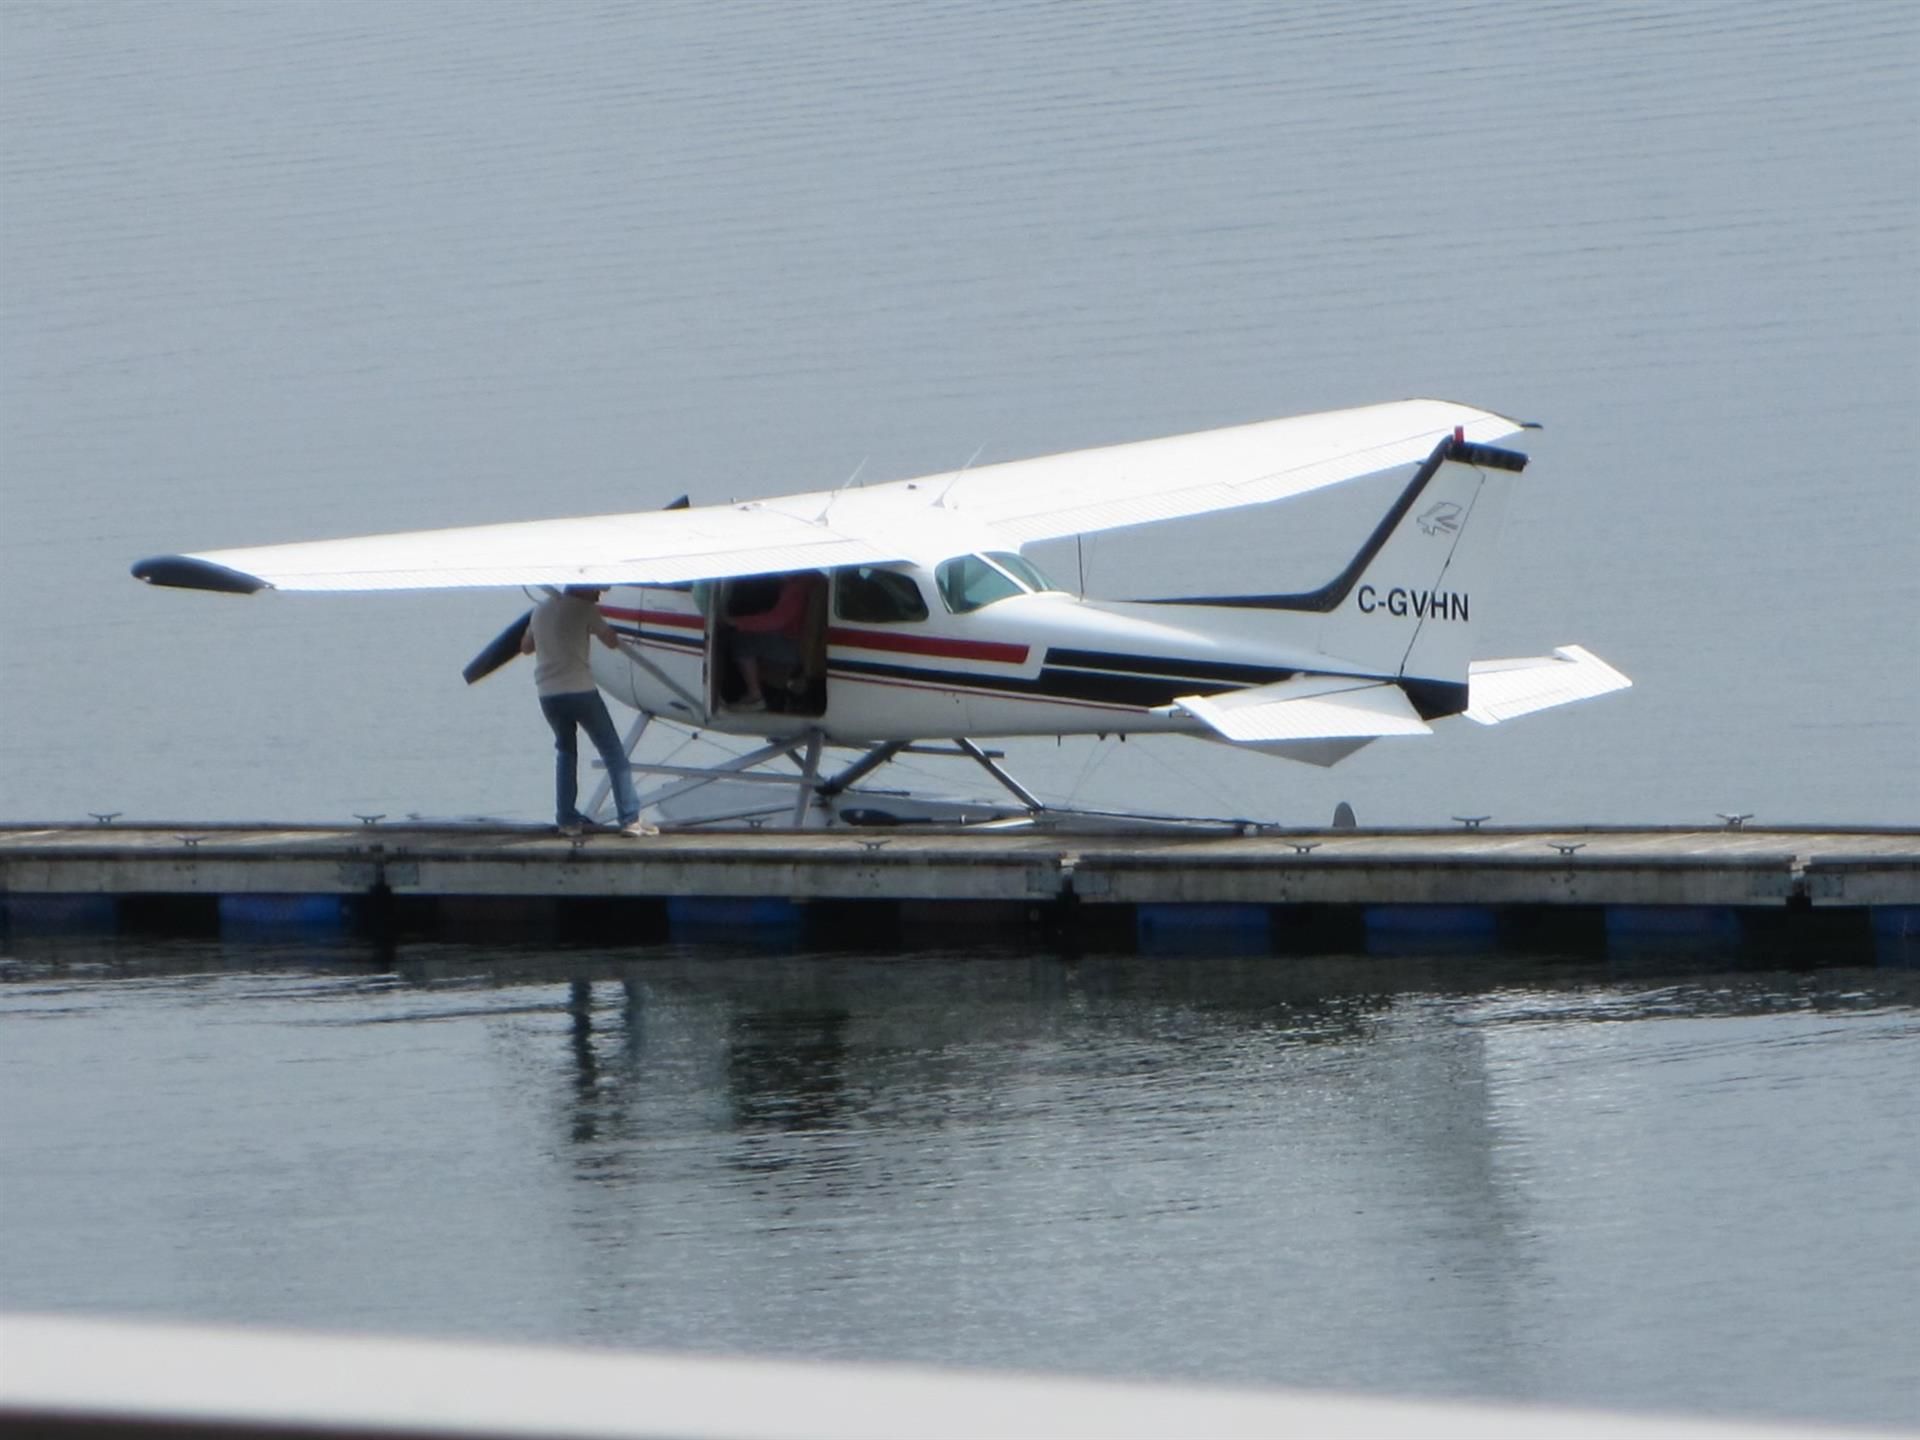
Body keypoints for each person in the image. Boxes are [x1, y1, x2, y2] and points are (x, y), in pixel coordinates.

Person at [519, 586, 655, 836]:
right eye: (597, 590)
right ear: (583, 588)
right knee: (613, 753)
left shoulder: (539, 611)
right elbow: (610, 641)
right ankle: (630, 818)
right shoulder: (586, 609)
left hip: (549, 695)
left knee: (566, 753)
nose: (600, 595)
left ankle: (567, 820)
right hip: (580, 691)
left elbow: (526, 646)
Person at [726, 572, 811, 711]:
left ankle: (755, 696)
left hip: (794, 647)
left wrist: (736, 622)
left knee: (742, 639)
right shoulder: (807, 580)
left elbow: (776, 620)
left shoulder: (797, 587)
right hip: (799, 643)